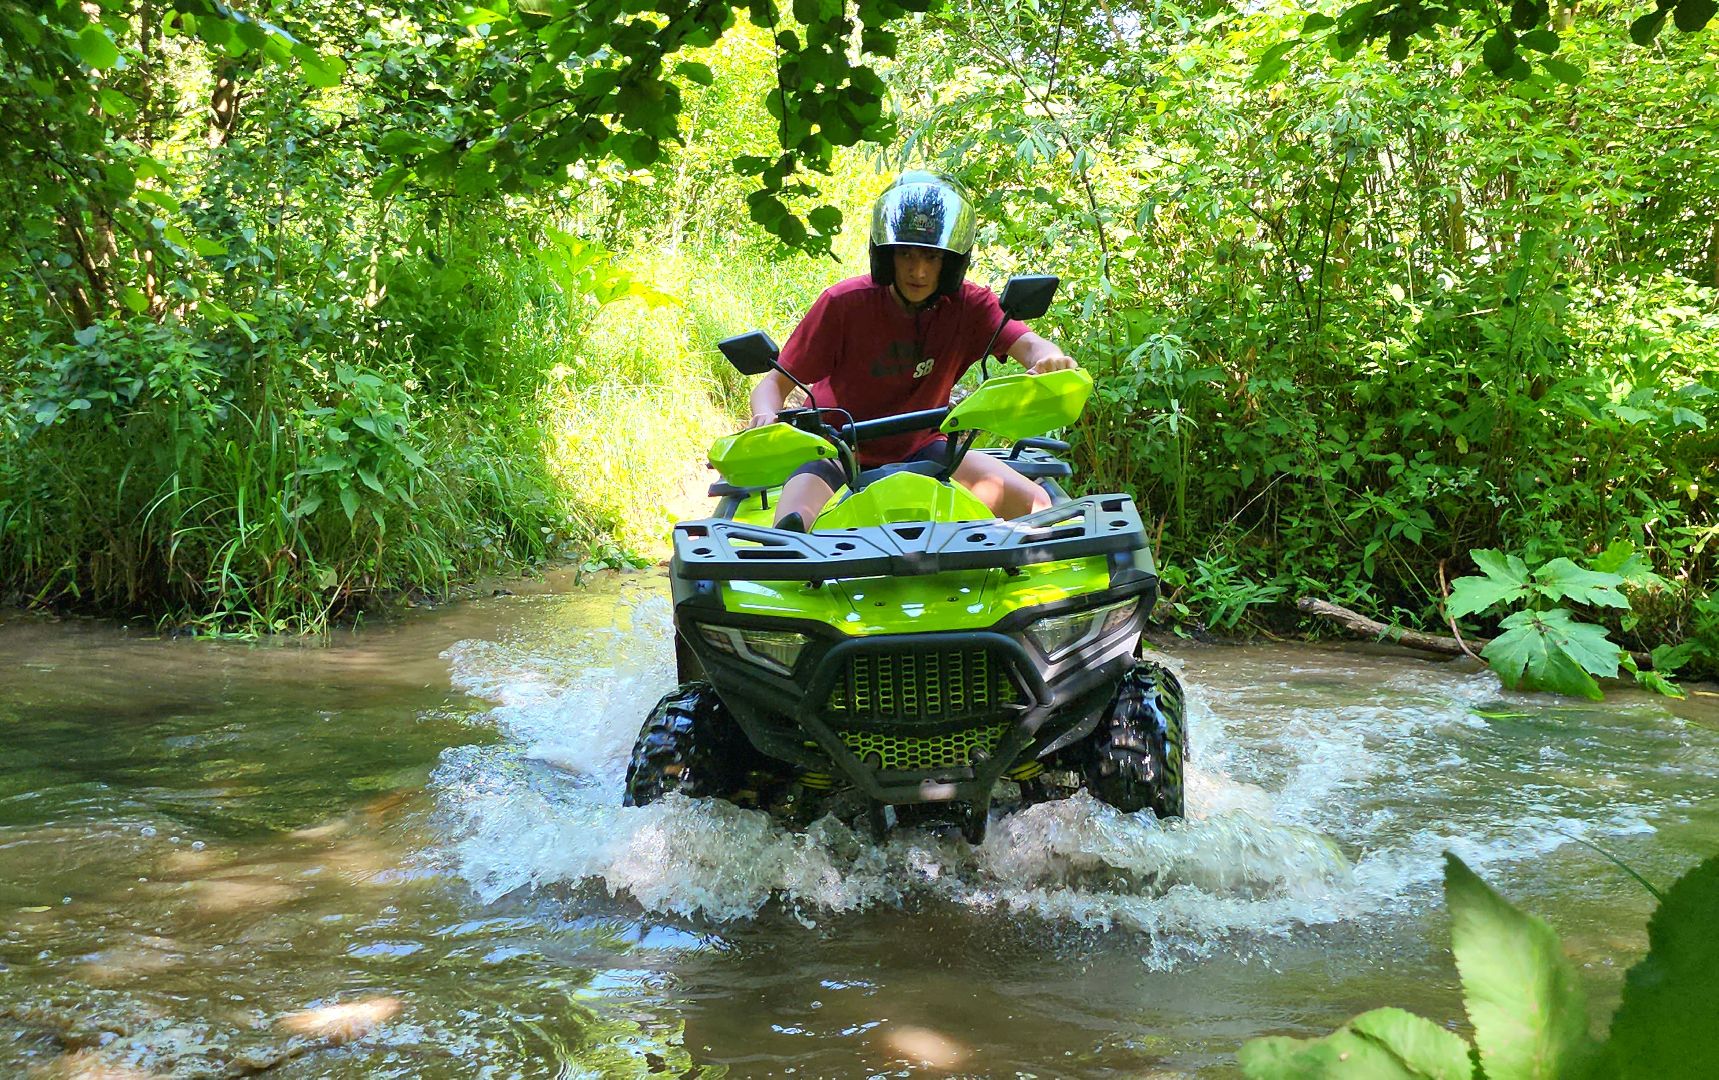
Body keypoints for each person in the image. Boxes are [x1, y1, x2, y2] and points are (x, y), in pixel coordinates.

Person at [746, 171, 1080, 532]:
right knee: (790, 528)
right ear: (885, 255)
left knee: (1037, 505)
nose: (917, 271)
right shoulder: (844, 304)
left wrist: (1050, 359)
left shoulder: (969, 304)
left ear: (951, 262)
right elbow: (773, 384)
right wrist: (765, 418)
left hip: (927, 443)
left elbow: (1028, 344)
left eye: (932, 258)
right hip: (837, 447)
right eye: (906, 254)